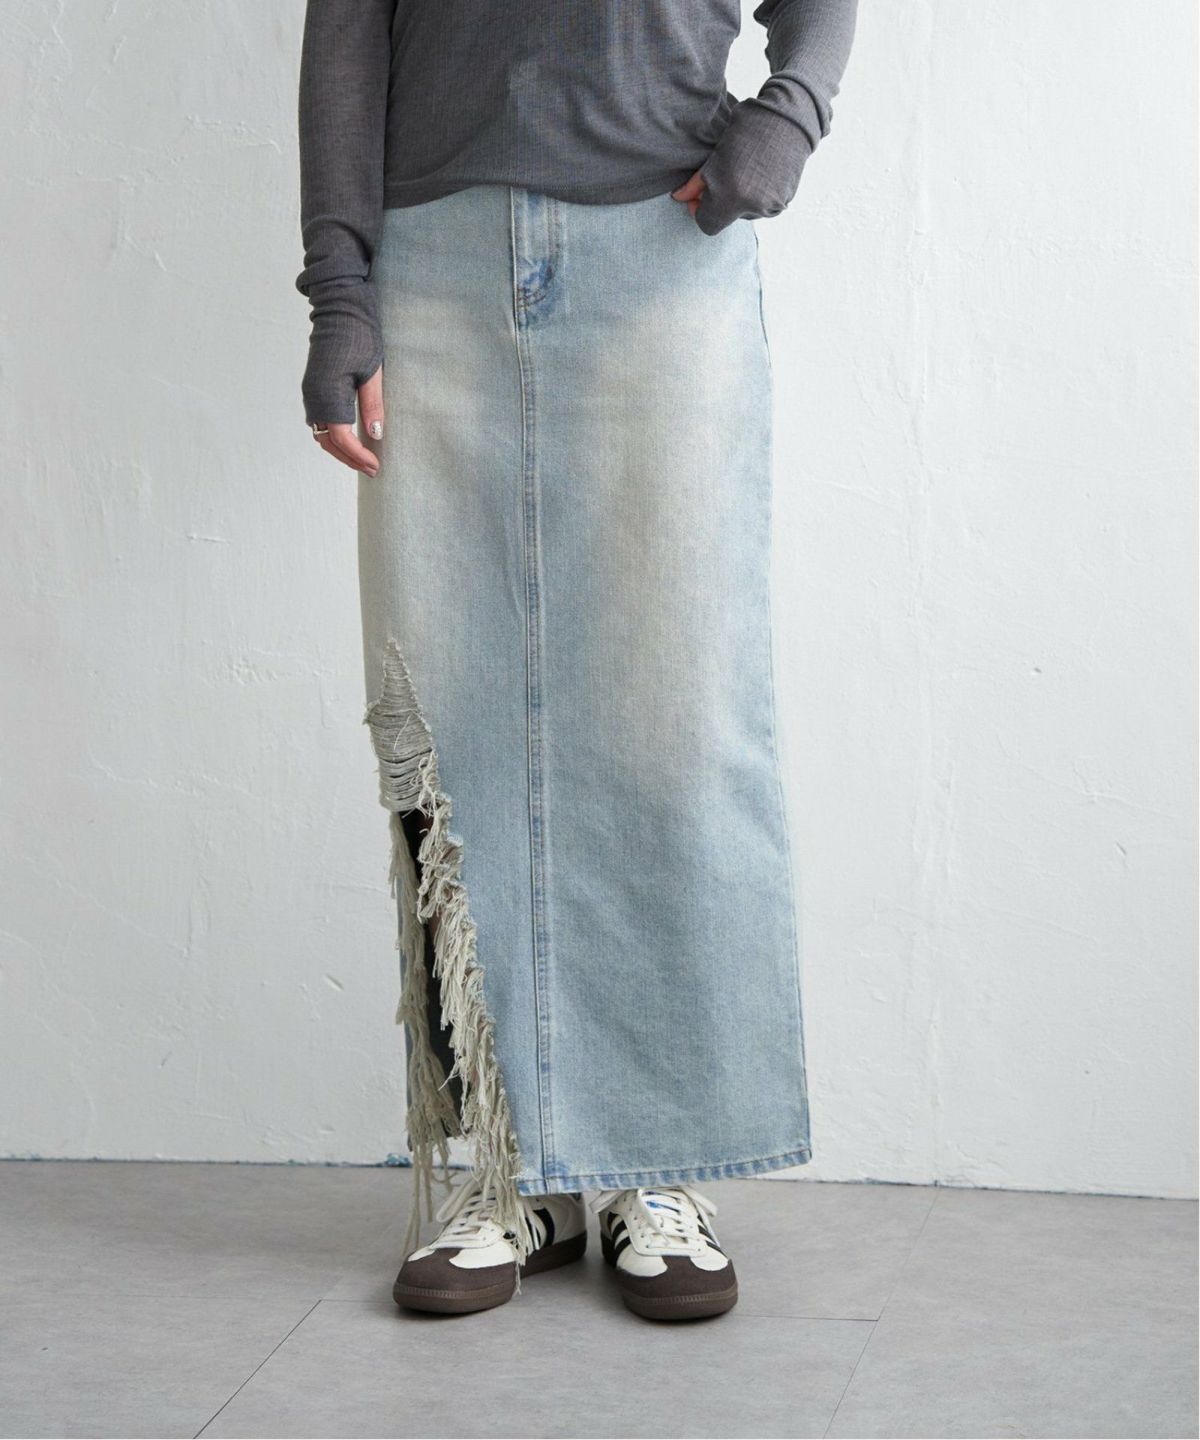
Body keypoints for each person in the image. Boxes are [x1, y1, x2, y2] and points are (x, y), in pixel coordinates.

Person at [296, 0, 857, 1322]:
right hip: (435, 258)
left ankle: (656, 1164)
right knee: (451, 730)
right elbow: (347, 31)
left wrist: (791, 111)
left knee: (675, 718)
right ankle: (509, 1166)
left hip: (664, 245)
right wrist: (341, 290)